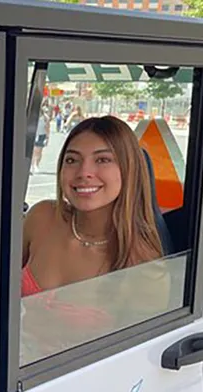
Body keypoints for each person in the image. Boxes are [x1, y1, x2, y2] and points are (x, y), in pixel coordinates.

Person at [22, 115, 164, 297]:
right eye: (72, 160)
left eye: (102, 160)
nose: (84, 173)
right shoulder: (42, 217)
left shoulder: (145, 268)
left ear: (129, 169)